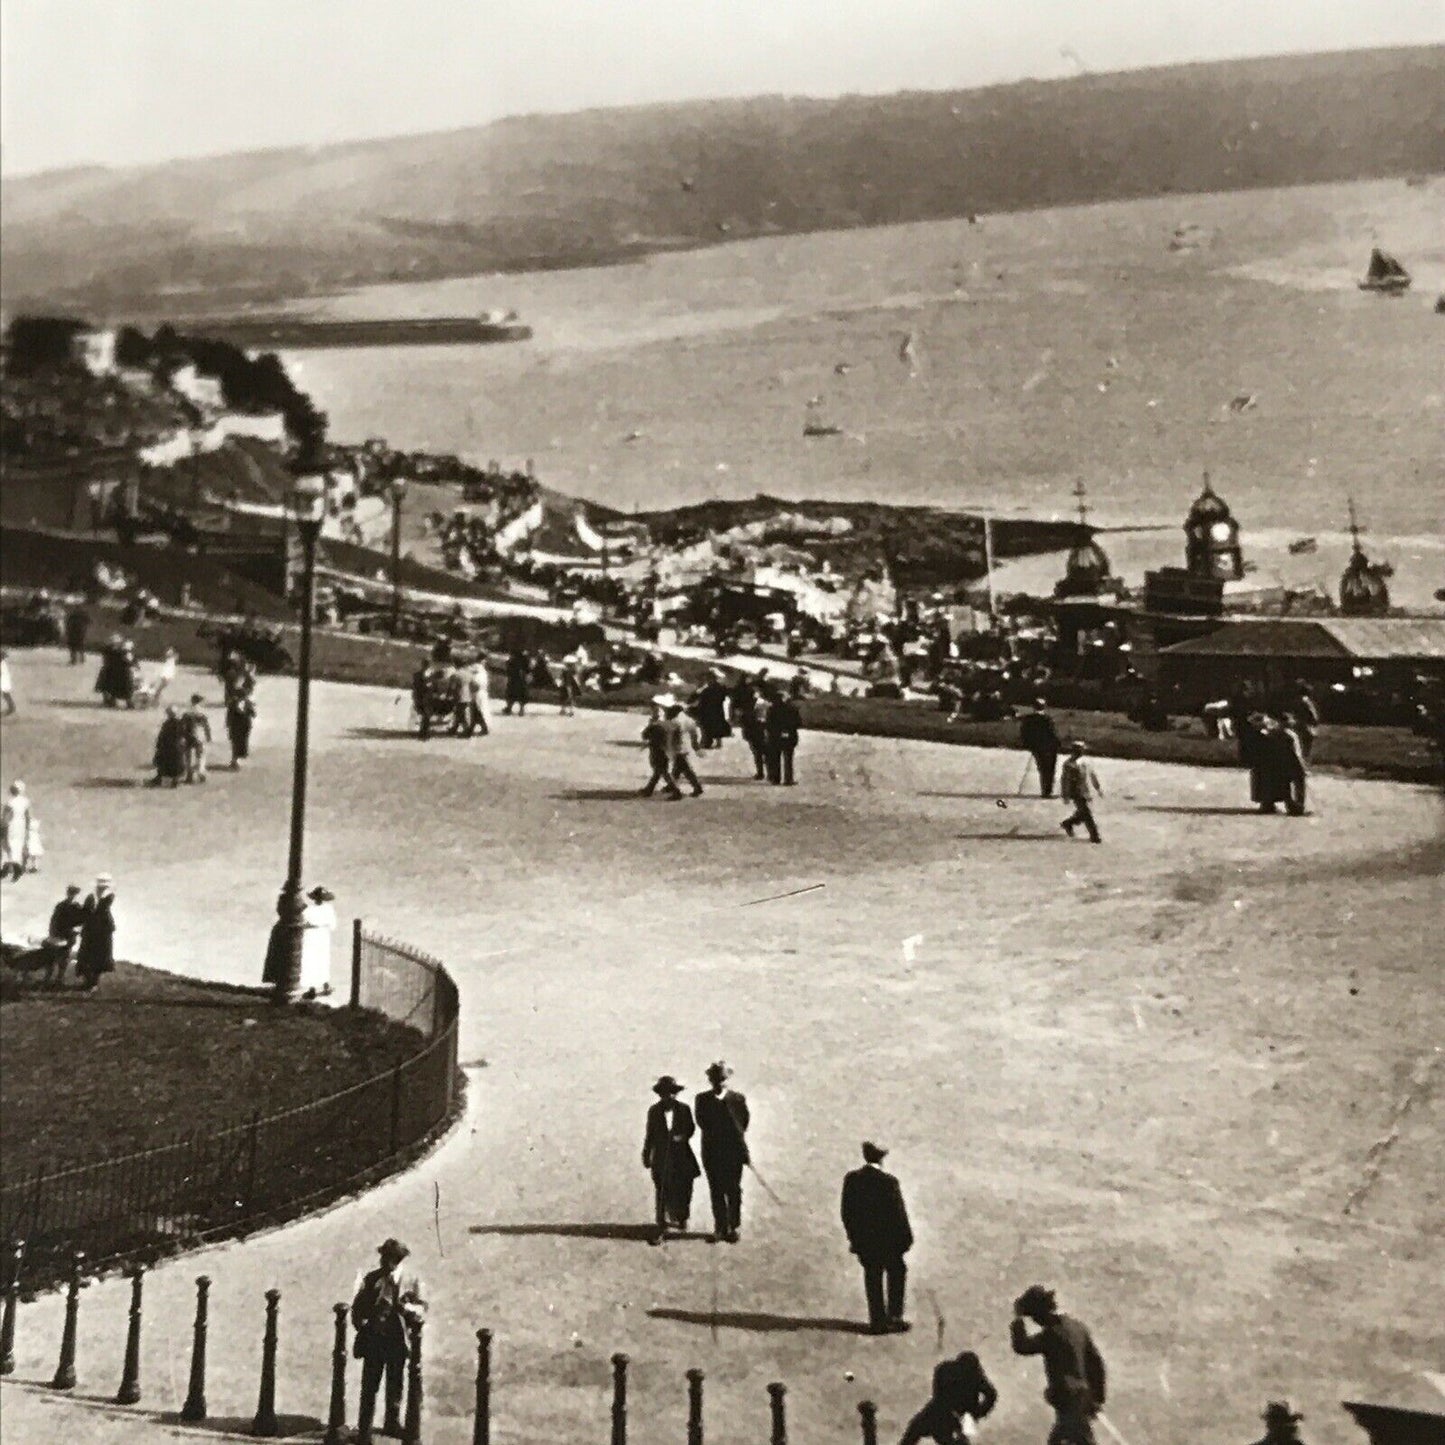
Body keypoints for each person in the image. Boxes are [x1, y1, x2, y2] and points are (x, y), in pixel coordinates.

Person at [350, 1238, 426, 1445]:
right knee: (370, 1385)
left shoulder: (411, 1281)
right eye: (383, 1257)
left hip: (398, 1341)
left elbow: (422, 1309)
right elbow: (357, 1309)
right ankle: (364, 1429)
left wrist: (409, 1310)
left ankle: (391, 1423)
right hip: (375, 1339)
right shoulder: (373, 1279)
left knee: (395, 1384)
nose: (384, 1262)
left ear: (398, 1260)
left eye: (389, 1259)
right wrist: (364, 1326)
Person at [1009, 1284, 1106, 1444]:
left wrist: (1017, 1319)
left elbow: (1022, 1346)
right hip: (1083, 1397)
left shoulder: (1051, 1335)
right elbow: (1097, 1364)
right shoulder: (1078, 1327)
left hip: (1068, 1400)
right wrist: (1098, 1398)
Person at [840, 1141, 914, 1334]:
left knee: (872, 1276)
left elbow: (846, 1212)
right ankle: (894, 1316)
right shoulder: (889, 1182)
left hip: (865, 1241)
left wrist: (854, 1238)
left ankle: (877, 1320)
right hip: (888, 1242)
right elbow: (899, 1215)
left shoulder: (852, 1179)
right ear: (881, 1158)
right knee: (897, 1271)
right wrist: (906, 1239)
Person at [695, 1061, 750, 1243]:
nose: (719, 1083)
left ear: (727, 1080)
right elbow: (702, 1123)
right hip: (712, 1152)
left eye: (722, 1079)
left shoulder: (738, 1099)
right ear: (710, 1081)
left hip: (734, 1151)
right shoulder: (702, 1100)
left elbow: (744, 1123)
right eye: (715, 1079)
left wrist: (739, 1145)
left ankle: (733, 1227)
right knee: (716, 1191)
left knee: (734, 1190)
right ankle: (720, 1227)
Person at [642, 1075, 700, 1243]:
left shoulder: (684, 1109)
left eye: (672, 1093)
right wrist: (647, 1154)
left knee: (683, 1189)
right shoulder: (654, 1111)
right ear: (660, 1095)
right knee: (662, 1190)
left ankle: (682, 1218)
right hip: (661, 1157)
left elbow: (690, 1129)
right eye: (666, 1093)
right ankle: (662, 1226)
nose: (669, 1096)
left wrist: (680, 1137)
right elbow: (650, 1135)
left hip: (681, 1156)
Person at [898, 1352, 999, 1444]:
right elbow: (991, 1395)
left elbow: (991, 1395)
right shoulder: (970, 1375)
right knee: (917, 1429)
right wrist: (977, 1413)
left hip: (951, 1414)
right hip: (943, 1411)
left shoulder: (950, 1370)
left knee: (918, 1429)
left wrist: (976, 1413)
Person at [77, 875, 117, 990]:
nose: (102, 888)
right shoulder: (91, 897)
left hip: (102, 932)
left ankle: (94, 982)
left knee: (99, 957)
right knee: (86, 956)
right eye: (101, 886)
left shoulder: (108, 897)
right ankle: (87, 982)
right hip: (90, 931)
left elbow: (102, 910)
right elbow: (86, 912)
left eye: (104, 887)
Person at [1059, 741, 1103, 844]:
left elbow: (1092, 775)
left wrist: (1098, 788)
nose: (1081, 752)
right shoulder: (1068, 764)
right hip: (1075, 793)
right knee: (1087, 814)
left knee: (1082, 813)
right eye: (1078, 750)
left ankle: (1068, 823)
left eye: (1082, 749)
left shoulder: (1086, 762)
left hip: (1085, 791)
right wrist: (1065, 795)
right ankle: (1094, 836)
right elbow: (1064, 780)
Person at [44, 884, 87, 987]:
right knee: (51, 958)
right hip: (57, 935)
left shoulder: (77, 908)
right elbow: (54, 921)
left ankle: (59, 980)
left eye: (74, 893)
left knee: (64, 959)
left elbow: (82, 921)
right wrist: (52, 934)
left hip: (69, 937)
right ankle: (47, 980)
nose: (72, 895)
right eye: (70, 893)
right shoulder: (60, 906)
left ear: (76, 895)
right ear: (67, 893)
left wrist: (76, 930)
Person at [1019, 699, 1061, 798]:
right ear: (1044, 707)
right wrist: (1058, 744)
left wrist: (1028, 744)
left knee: (1042, 768)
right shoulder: (1047, 719)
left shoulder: (1028, 719)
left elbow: (1024, 733)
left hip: (1036, 747)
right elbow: (1052, 734)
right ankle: (1047, 791)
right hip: (1048, 747)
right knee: (1049, 769)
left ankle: (1045, 790)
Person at [641, 698, 682, 799]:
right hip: (664, 749)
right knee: (659, 771)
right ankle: (649, 789)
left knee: (662, 771)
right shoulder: (666, 723)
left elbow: (645, 735)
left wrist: (650, 725)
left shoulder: (656, 724)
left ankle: (676, 791)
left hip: (658, 750)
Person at [299, 886, 336, 997]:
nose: (318, 899)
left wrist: (319, 926)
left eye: (320, 897)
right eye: (317, 897)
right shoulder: (309, 910)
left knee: (322, 961)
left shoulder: (328, 909)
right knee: (310, 962)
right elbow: (303, 923)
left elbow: (333, 925)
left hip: (322, 937)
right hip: (311, 937)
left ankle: (325, 985)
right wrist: (308, 926)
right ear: (314, 898)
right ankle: (312, 989)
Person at [664, 701, 704, 798]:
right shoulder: (689, 720)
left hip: (677, 748)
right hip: (685, 748)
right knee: (678, 769)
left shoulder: (675, 722)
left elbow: (671, 736)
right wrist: (696, 748)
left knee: (686, 770)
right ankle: (671, 786)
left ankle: (695, 788)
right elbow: (694, 736)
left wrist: (666, 747)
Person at [764, 685, 801, 785]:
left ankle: (776, 778)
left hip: (775, 736)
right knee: (788, 759)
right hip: (789, 736)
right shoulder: (792, 708)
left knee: (775, 757)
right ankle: (788, 779)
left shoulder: (772, 709)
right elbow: (798, 723)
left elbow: (768, 723)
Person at [2, 781, 35, 880]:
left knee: (9, 845)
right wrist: (28, 828)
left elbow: (6, 817)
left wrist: (3, 825)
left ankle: (11, 869)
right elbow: (28, 816)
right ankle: (16, 868)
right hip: (21, 824)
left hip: (12, 825)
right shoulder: (25, 802)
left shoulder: (10, 802)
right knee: (18, 845)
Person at [693, 669, 731, 749]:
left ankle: (708, 742)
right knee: (716, 725)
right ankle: (716, 742)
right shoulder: (719, 687)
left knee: (709, 726)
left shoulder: (707, 689)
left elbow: (700, 698)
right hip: (716, 709)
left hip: (711, 709)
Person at [152, 705, 186, 787]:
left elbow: (162, 736)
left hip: (169, 746)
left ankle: (169, 779)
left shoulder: (168, 723)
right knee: (174, 763)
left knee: (167, 762)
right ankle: (173, 780)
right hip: (174, 746)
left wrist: (159, 745)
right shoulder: (179, 723)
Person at [182, 694, 212, 783]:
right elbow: (206, 726)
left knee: (188, 756)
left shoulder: (187, 712)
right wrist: (208, 736)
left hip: (188, 735)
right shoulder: (202, 712)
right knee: (200, 756)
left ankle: (189, 775)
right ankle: (201, 773)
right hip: (199, 736)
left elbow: (182, 725)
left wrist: (182, 736)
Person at [226, 689, 257, 768]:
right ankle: (235, 760)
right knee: (237, 742)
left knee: (239, 743)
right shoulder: (236, 703)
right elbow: (253, 714)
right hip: (238, 726)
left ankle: (235, 760)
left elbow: (253, 714)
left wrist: (228, 724)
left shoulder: (244, 703)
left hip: (241, 726)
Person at [503, 647, 530, 715]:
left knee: (511, 693)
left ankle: (509, 708)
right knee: (521, 694)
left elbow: (508, 668)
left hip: (514, 679)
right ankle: (521, 710)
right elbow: (528, 669)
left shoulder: (513, 659)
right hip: (521, 679)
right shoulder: (525, 659)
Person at [0, 650, 14, 716]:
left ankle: (11, 708)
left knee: (5, 693)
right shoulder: (3, 663)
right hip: (4, 678)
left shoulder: (2, 664)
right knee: (5, 693)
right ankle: (11, 707)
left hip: (3, 678)